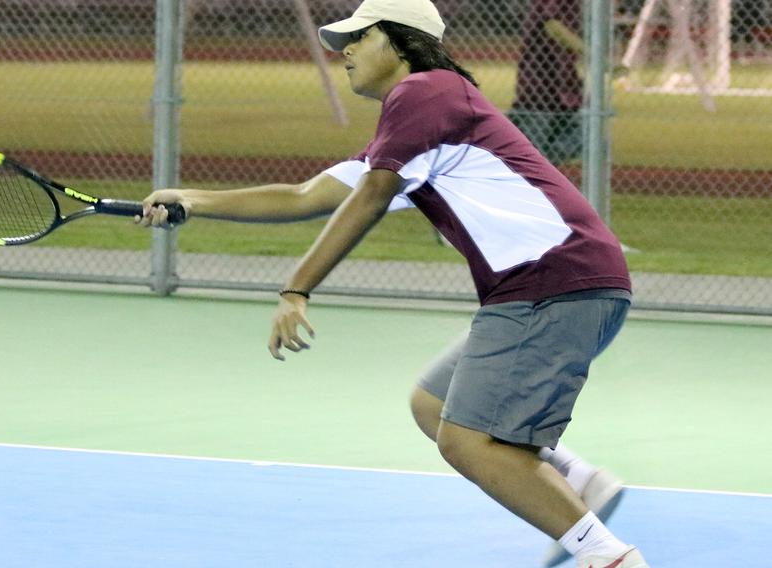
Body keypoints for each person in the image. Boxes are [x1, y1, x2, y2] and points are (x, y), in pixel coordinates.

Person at [138, 1, 649, 566]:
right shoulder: (422, 121)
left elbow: (371, 198)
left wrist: (297, 288)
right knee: (433, 403)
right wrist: (193, 199)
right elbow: (306, 196)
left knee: (465, 440)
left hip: (554, 282)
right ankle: (579, 482)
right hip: (560, 284)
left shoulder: (426, 92)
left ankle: (608, 557)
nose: (347, 51)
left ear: (399, 40)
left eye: (359, 36)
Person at [506, 0, 585, 165]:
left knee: (587, 138)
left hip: (565, 88)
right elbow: (552, 24)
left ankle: (543, 174)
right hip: (539, 88)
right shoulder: (553, 6)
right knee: (528, 156)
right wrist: (592, 53)